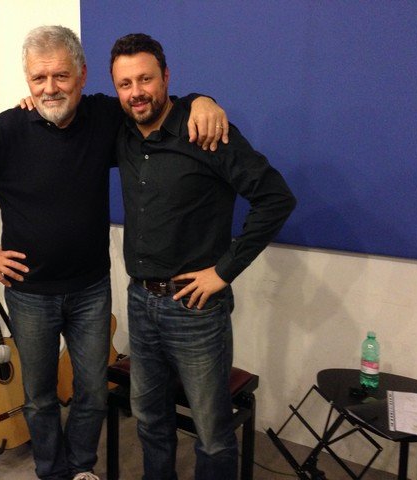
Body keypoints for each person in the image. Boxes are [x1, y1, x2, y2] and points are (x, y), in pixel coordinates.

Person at [0, 26, 228, 480]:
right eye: (38, 78)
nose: (49, 88)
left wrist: (204, 100)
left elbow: (153, 101)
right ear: (27, 80)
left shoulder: (104, 116)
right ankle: (52, 472)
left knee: (92, 392)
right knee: (39, 397)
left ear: (82, 75)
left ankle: (81, 467)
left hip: (91, 289)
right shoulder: (5, 130)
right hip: (30, 293)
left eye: (60, 76)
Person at [109, 33, 297, 479]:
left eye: (145, 79)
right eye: (125, 84)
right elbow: (64, 104)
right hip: (140, 301)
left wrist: (223, 271)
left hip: (195, 309)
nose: (136, 92)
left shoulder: (207, 132)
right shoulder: (123, 133)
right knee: (150, 420)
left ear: (166, 77)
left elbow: (276, 198)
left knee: (212, 432)